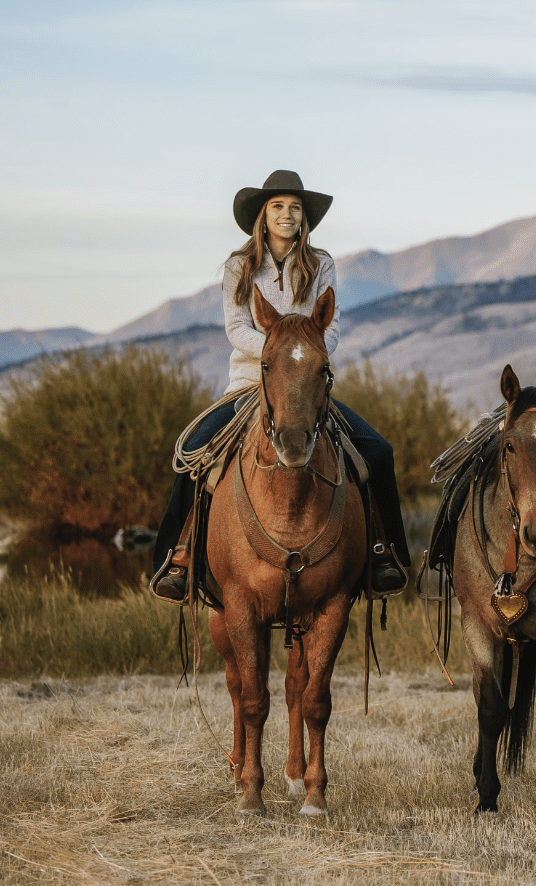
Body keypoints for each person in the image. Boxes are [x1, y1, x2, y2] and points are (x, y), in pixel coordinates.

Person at [146, 170, 409, 602]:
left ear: (304, 217)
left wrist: (303, 356)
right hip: (251, 386)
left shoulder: (321, 264)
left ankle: (383, 553)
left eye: (295, 207)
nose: (287, 215)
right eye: (278, 207)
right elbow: (235, 329)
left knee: (378, 452)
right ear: (263, 216)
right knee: (194, 450)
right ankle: (179, 557)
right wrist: (281, 350)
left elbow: (332, 326)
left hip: (308, 388)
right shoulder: (239, 266)